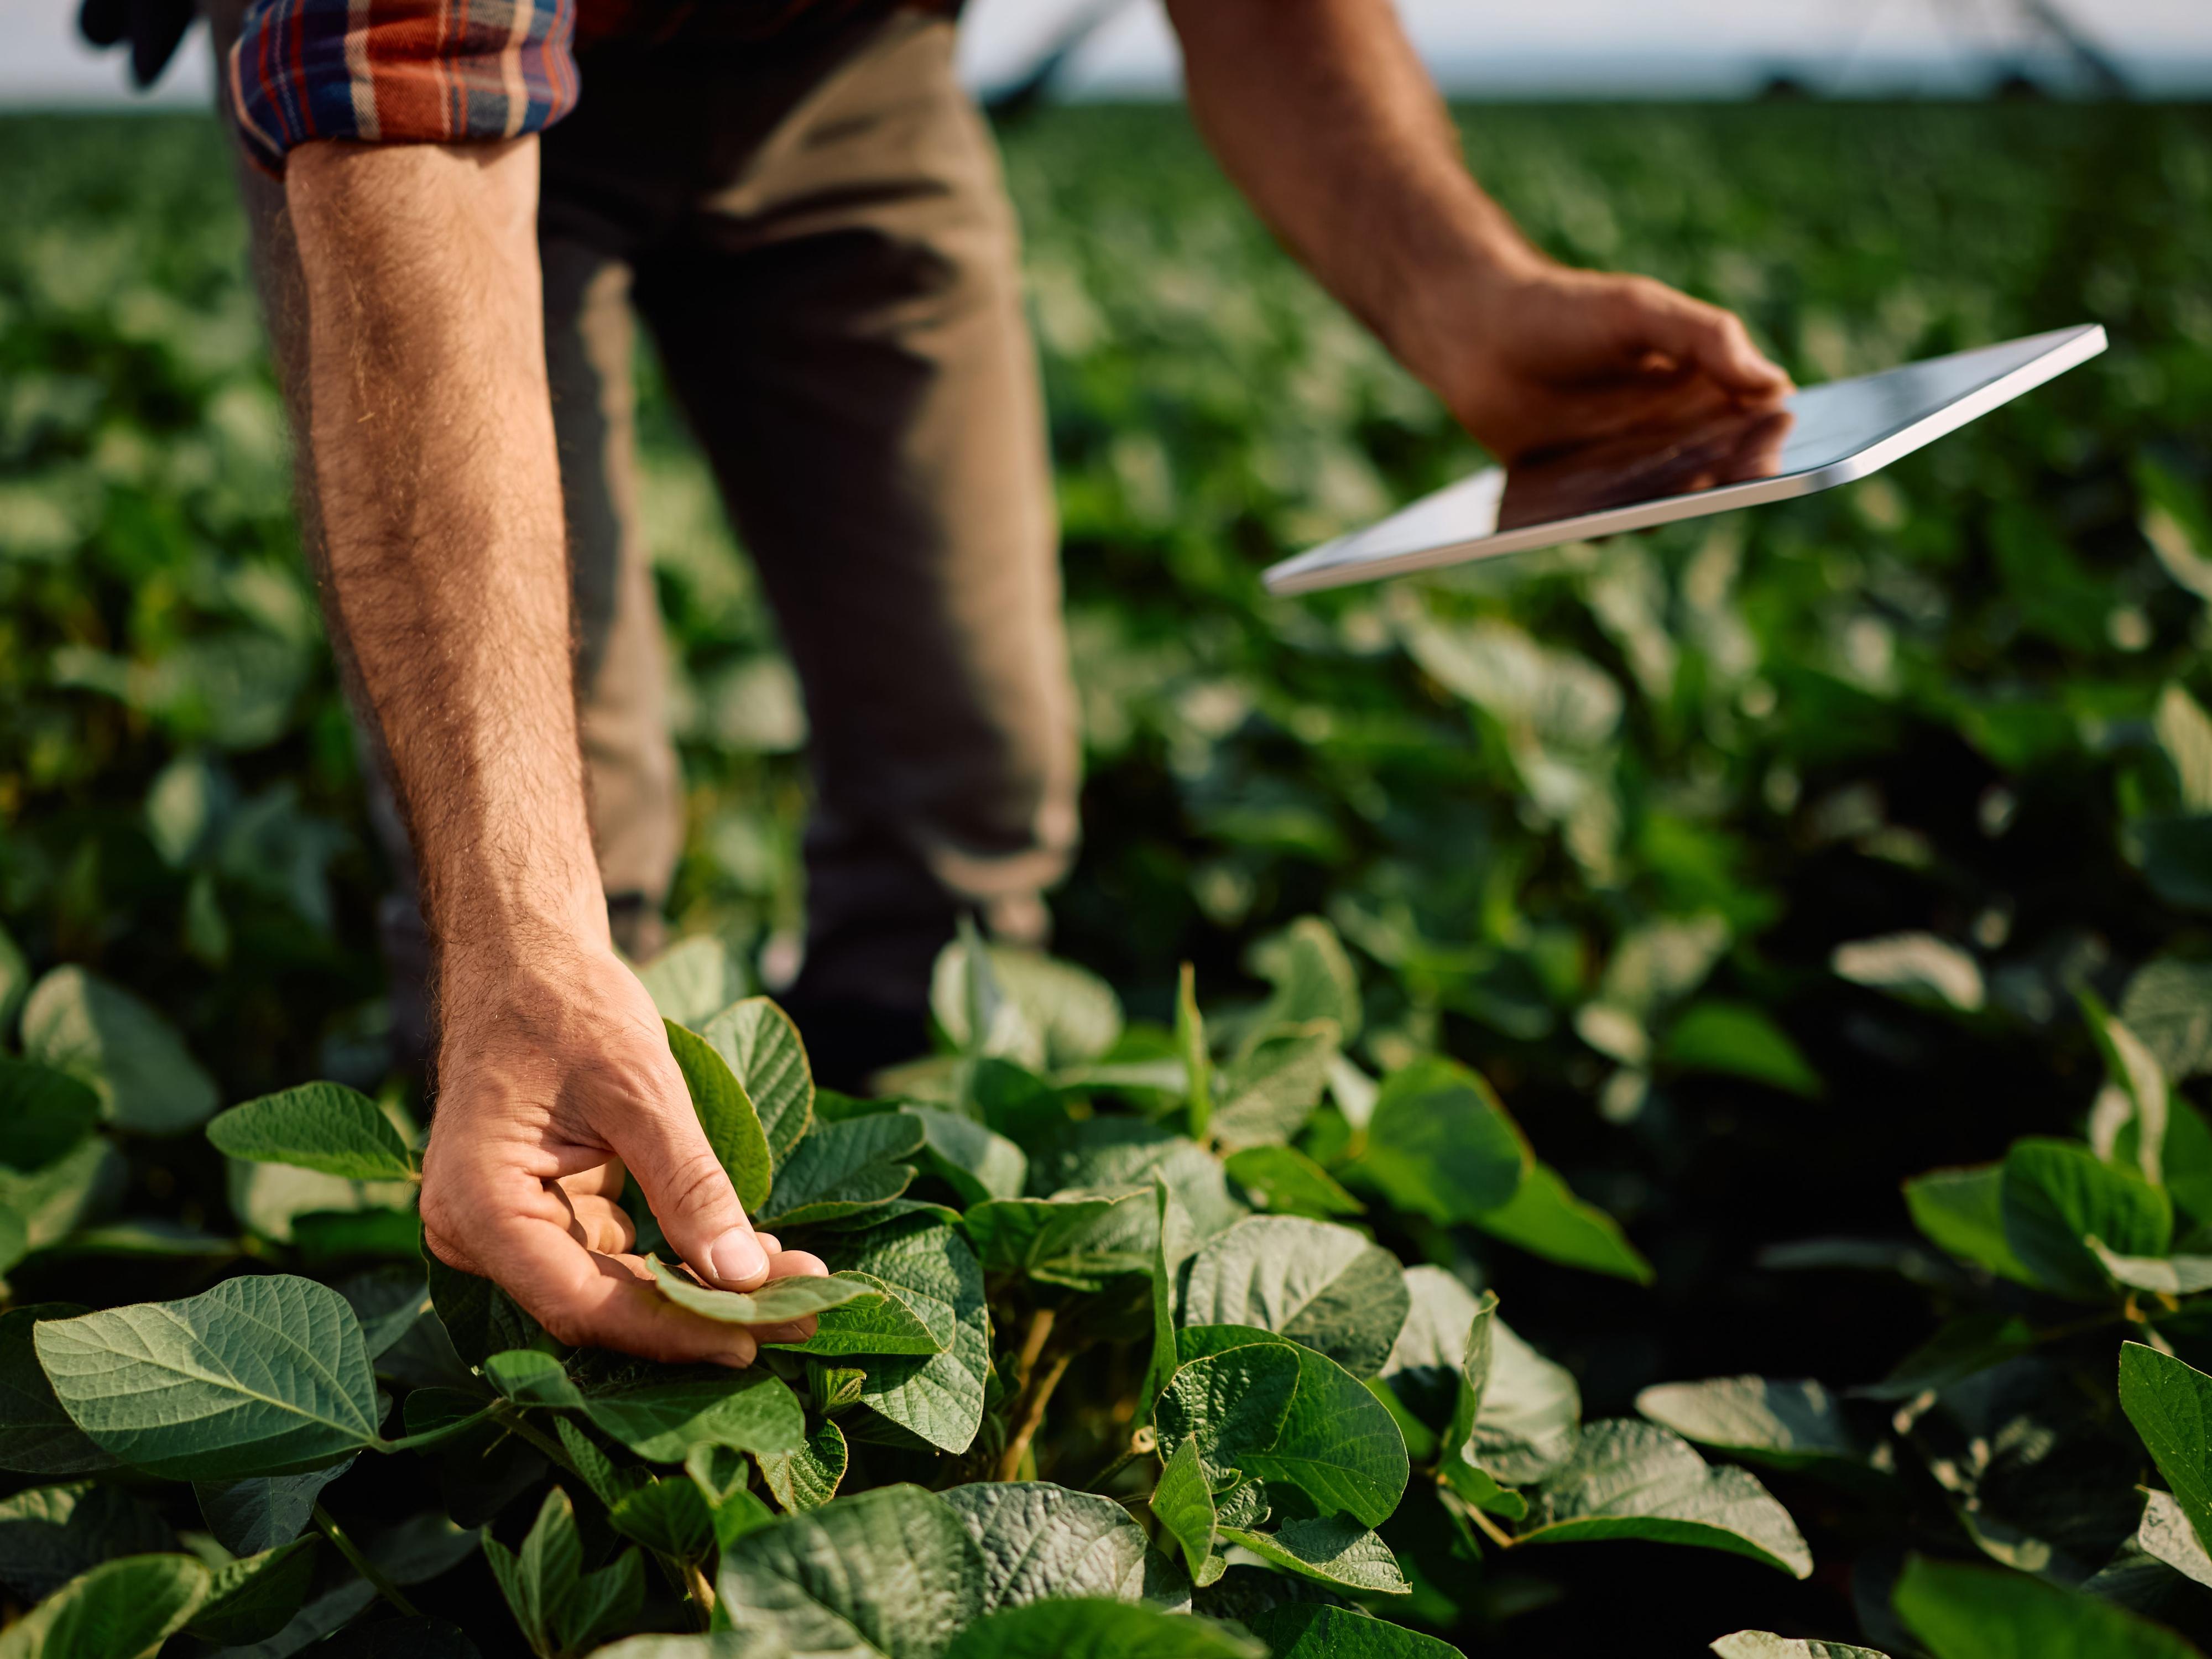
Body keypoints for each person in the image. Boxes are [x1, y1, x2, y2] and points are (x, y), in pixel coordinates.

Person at [86, 0, 1790, 1366]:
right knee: (560, 890)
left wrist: (1463, 296)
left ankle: (909, 1342)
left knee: (970, 786)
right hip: (433, 118)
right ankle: (556, 1400)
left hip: (847, 57)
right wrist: (526, 926)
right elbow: (408, 106)